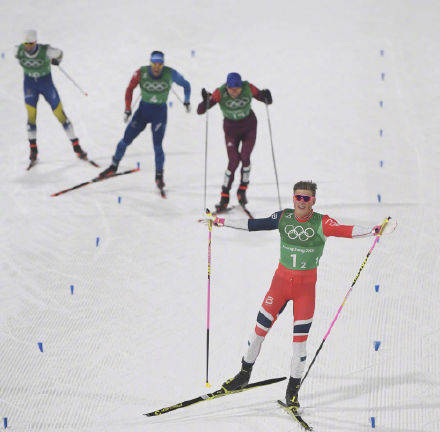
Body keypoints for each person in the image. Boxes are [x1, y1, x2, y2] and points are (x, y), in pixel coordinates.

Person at [205, 181, 386, 410]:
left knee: (299, 346)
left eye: (306, 198)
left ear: (313, 201)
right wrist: (220, 221)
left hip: (304, 292)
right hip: (278, 286)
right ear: (293, 198)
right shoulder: (284, 218)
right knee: (258, 332)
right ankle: (243, 376)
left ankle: (292, 392)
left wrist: (374, 229)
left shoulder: (322, 222)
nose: (301, 202)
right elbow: (254, 224)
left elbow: (346, 230)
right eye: (298, 197)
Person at [100, 50, 191, 190]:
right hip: (142, 112)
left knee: (157, 146)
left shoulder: (170, 73)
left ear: (163, 65)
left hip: (159, 114)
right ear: (150, 63)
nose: (156, 67)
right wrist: (127, 109)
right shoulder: (140, 73)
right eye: (154, 64)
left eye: (160, 65)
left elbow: (186, 84)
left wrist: (186, 101)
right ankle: (113, 166)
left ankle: (159, 177)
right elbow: (130, 89)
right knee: (126, 139)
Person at [197, 72, 272, 212]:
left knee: (245, 157)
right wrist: (205, 101)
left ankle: (242, 190)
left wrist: (266, 96)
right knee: (233, 161)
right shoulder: (220, 92)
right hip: (231, 129)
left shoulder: (248, 87)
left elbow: (265, 99)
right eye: (231, 89)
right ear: (227, 87)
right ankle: (224, 196)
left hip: (249, 126)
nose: (235, 92)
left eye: (237, 89)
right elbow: (200, 111)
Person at [15, 29, 88, 166]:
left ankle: (76, 147)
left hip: (46, 85)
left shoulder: (46, 51)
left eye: (31, 44)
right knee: (31, 116)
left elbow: (59, 54)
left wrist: (56, 60)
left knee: (59, 113)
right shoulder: (18, 50)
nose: (28, 47)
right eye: (26, 44)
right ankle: (33, 151)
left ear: (36, 42)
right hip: (30, 86)